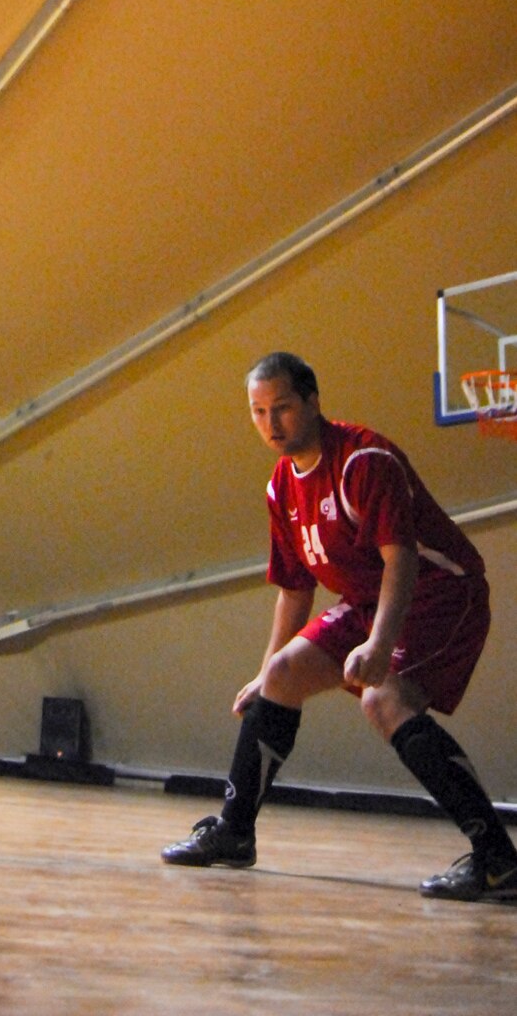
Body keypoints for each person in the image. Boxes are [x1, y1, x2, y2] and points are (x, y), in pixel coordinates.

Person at [161, 351, 516, 903]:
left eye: (281, 408)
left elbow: (402, 561)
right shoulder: (282, 487)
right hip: (370, 600)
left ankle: (499, 861)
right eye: (258, 412)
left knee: (384, 701)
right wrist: (261, 675)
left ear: (312, 403)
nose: (270, 424)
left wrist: (380, 644)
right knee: (280, 677)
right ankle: (234, 833)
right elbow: (296, 588)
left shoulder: (363, 462)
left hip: (442, 594)